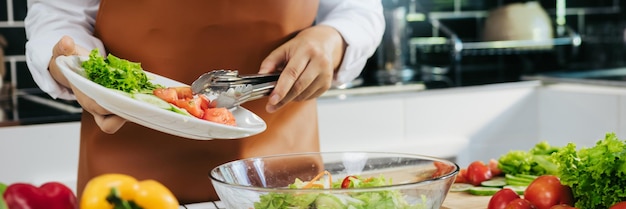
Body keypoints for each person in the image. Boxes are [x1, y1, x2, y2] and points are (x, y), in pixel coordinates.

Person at [25, 0, 384, 204]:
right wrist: (77, 68)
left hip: (280, 166)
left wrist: (332, 38)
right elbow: (57, 17)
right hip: (126, 168)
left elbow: (359, 10)